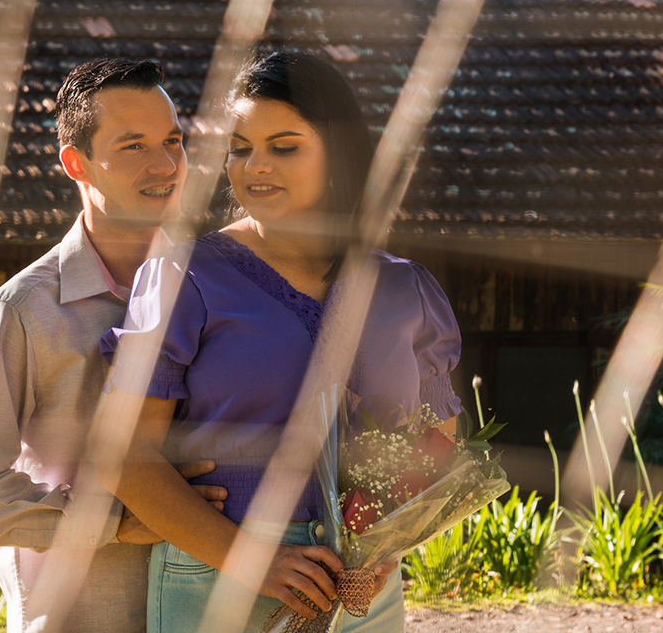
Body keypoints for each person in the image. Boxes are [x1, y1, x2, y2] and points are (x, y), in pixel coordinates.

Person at [100, 51, 464, 633]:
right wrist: (256, 561)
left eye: (284, 146)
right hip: (217, 581)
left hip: (365, 592)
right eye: (240, 148)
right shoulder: (184, 278)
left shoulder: (405, 289)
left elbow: (436, 448)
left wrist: (383, 551)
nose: (255, 167)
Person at [0, 58, 227, 633]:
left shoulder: (223, 291)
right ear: (75, 163)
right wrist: (113, 522)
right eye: (133, 146)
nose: (166, 166)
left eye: (173, 141)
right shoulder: (19, 313)